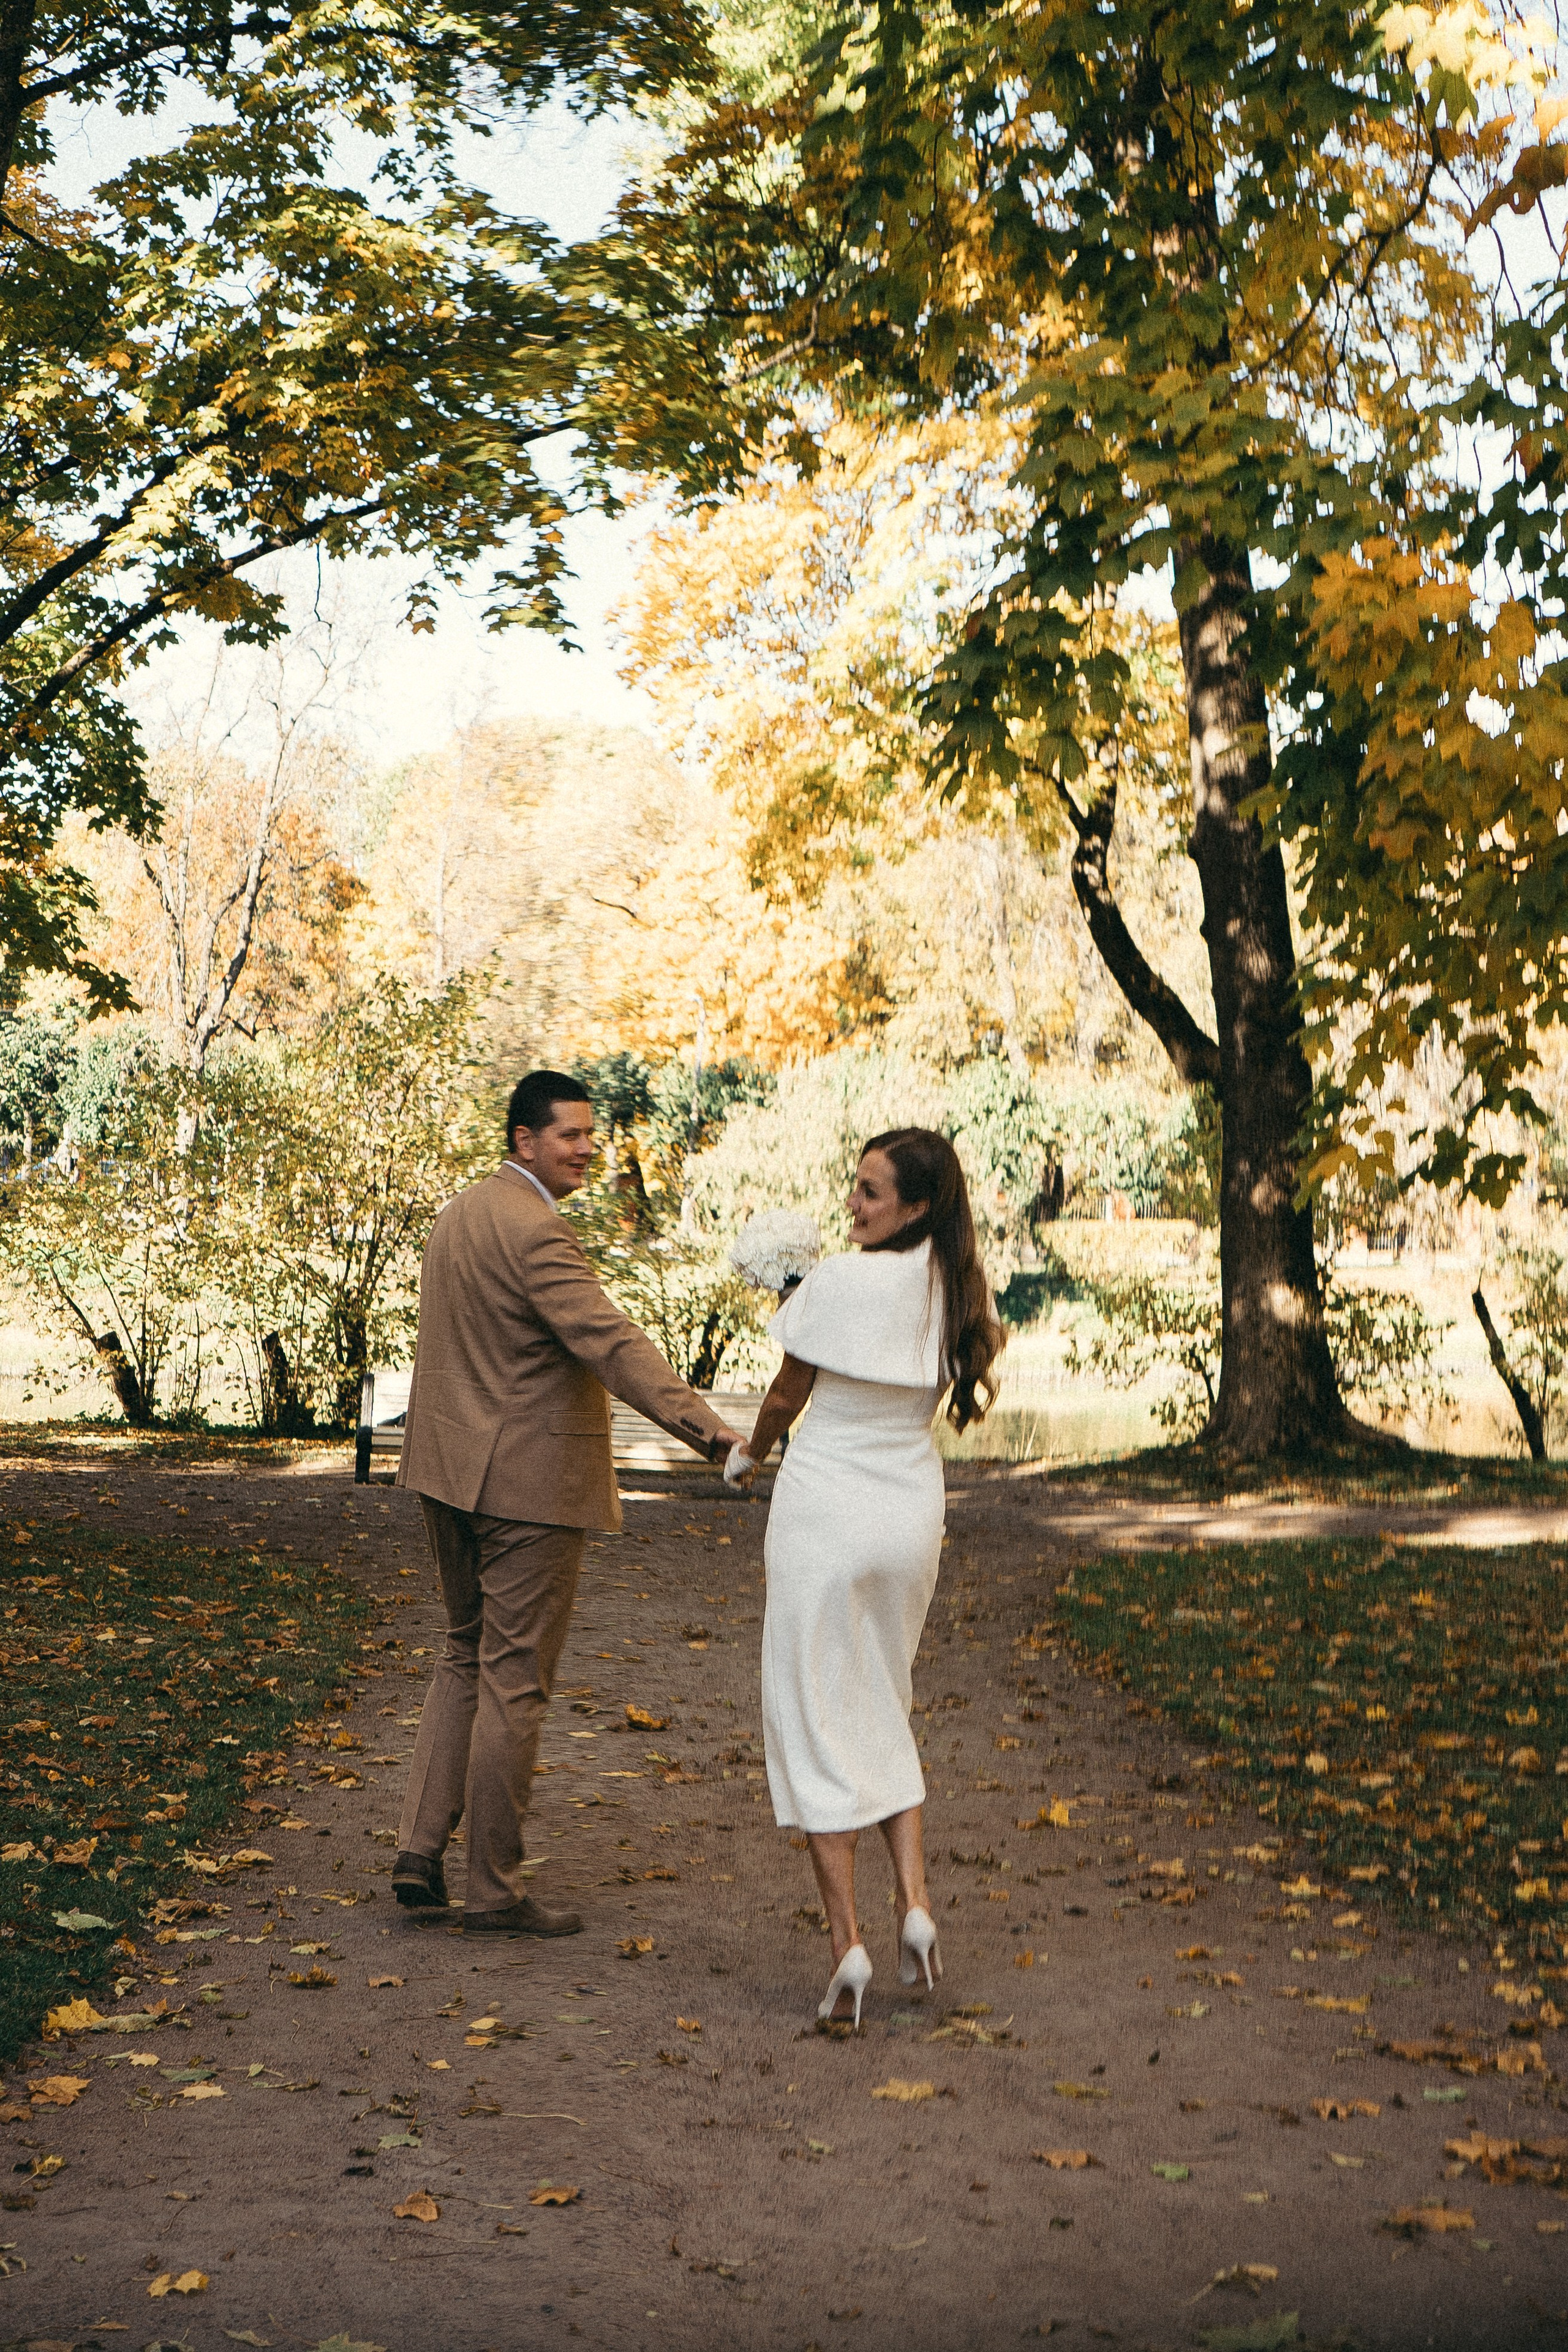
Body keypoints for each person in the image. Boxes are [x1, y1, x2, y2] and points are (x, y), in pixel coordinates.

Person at [391, 1071, 747, 1937]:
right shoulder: (537, 1231)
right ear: (523, 1141)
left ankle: (417, 1849)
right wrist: (714, 1436)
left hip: (445, 1470)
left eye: (590, 1133)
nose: (587, 1147)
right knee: (515, 1679)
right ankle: (494, 1890)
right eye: (569, 1136)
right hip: (527, 1489)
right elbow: (611, 1345)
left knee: (465, 1655)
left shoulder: (458, 1216)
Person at [730, 1129, 1001, 2026]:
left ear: (915, 1206)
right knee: (884, 1700)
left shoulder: (838, 1285)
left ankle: (848, 1940)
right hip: (908, 1513)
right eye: (854, 1187)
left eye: (870, 1193)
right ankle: (914, 1906)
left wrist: (747, 1457)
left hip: (825, 1511)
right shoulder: (954, 1288)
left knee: (811, 1713)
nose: (852, 1204)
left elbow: (784, 1394)